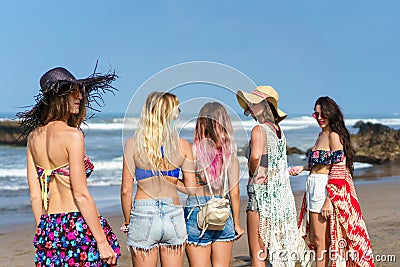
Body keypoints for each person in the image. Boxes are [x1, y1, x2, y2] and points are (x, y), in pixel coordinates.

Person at [18, 66, 121, 266]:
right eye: (74, 92)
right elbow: (81, 194)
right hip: (78, 225)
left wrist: (45, 231)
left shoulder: (33, 138)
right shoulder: (73, 136)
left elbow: (35, 195)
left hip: (49, 225)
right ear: (59, 97)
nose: (80, 98)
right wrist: (101, 241)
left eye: (80, 92)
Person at [289, 96, 374, 267]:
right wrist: (303, 168)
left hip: (324, 189)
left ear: (331, 113)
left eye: (323, 114)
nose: (319, 118)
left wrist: (329, 199)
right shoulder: (321, 135)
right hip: (313, 187)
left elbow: (339, 167)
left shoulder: (334, 136)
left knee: (321, 242)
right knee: (316, 239)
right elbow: (319, 164)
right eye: (316, 114)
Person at [120, 91, 196, 267]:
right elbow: (191, 189)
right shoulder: (183, 145)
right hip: (173, 213)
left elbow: (126, 190)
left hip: (143, 212)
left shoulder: (133, 144)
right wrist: (170, 179)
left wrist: (127, 220)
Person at [237, 86, 302, 267]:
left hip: (260, 195)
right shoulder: (279, 131)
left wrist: (251, 171)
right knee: (277, 247)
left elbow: (256, 156)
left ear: (264, 106)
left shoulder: (258, 130)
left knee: (257, 252)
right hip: (279, 197)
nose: (249, 108)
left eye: (252, 103)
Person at [183, 102, 245, 267]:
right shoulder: (229, 154)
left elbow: (187, 184)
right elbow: (235, 193)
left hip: (196, 211)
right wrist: (237, 224)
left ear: (201, 123)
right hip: (222, 212)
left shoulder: (190, 150)